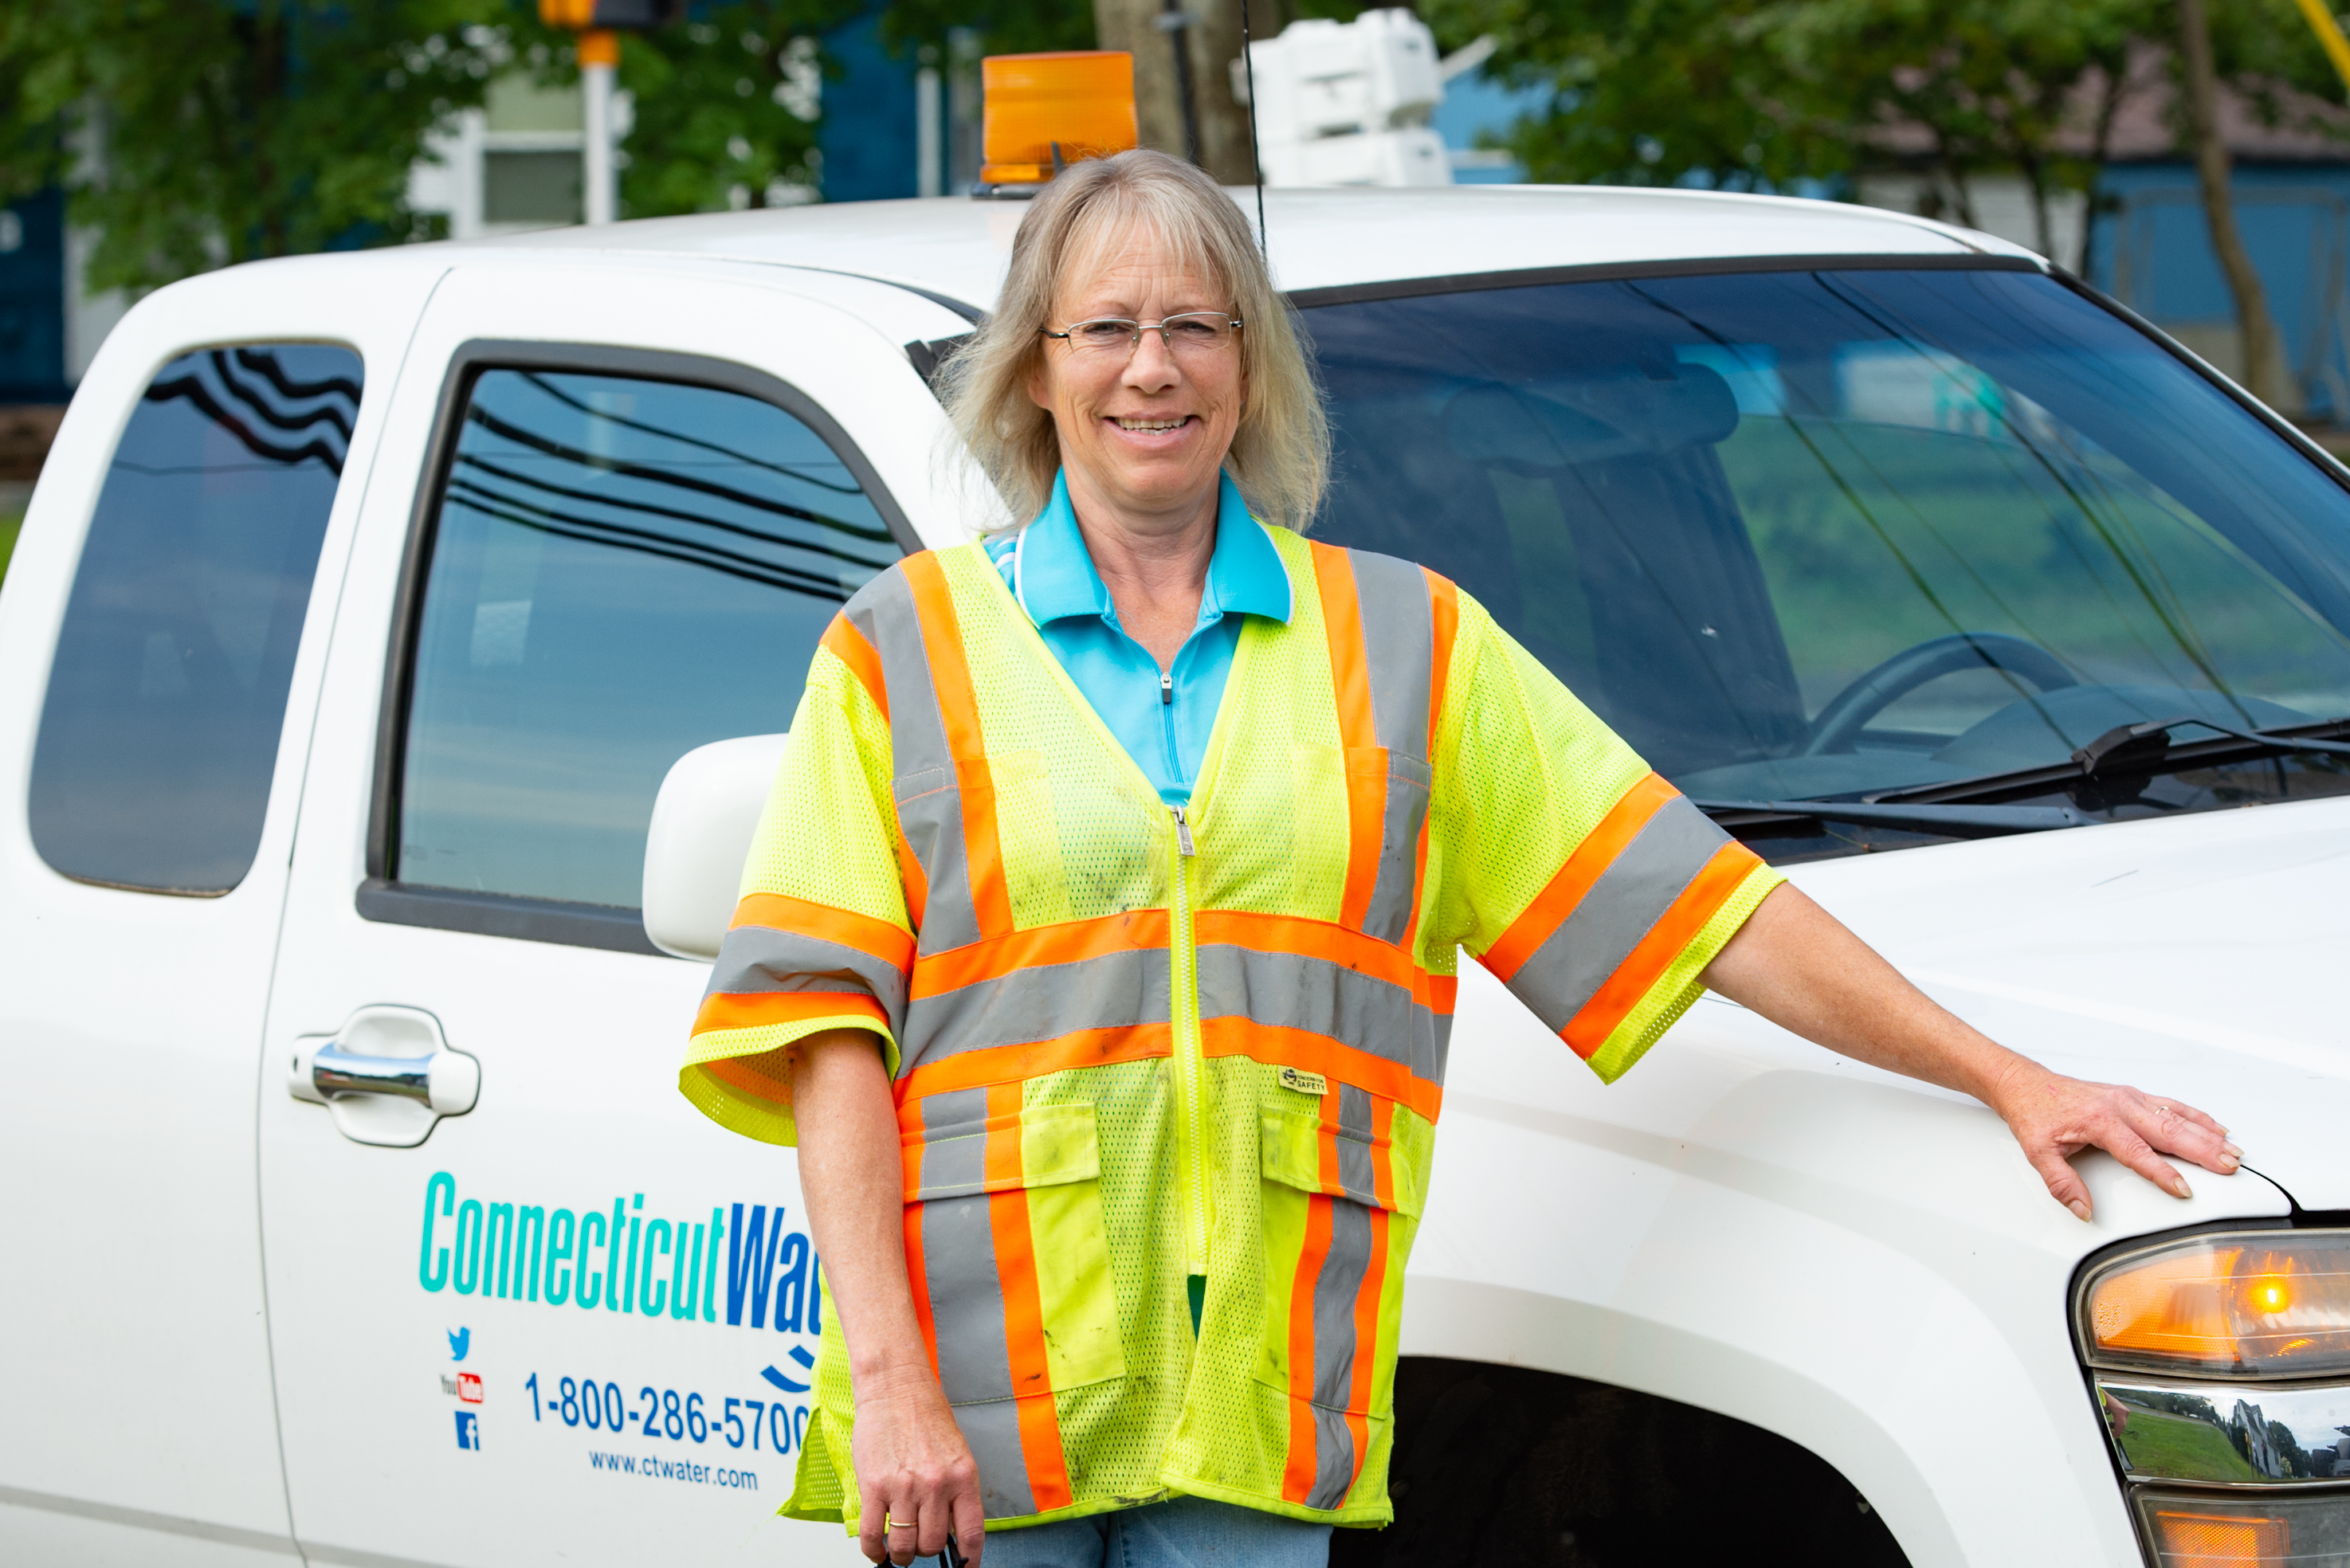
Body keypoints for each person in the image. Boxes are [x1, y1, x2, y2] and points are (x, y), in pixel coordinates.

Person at [678, 149, 2240, 1568]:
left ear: (1249, 369)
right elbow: (825, 1030)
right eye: (1106, 328)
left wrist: (2002, 1076)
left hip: (1265, 1403)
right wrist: (890, 1390)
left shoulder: (1408, 645)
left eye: (1198, 326)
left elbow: (1697, 905)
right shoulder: (904, 650)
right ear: (1035, 366)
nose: (1151, 368)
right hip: (982, 1409)